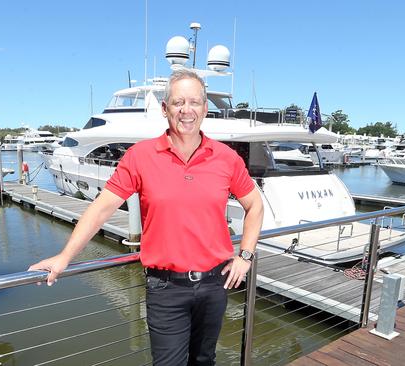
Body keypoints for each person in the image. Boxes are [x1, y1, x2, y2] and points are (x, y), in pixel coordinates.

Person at [29, 69, 263, 365]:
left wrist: (245, 255)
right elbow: (101, 208)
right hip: (165, 289)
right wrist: (65, 257)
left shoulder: (226, 158)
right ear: (165, 110)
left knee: (205, 360)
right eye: (178, 103)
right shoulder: (140, 156)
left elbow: (255, 206)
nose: (186, 110)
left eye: (194, 102)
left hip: (214, 284)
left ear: (205, 109)